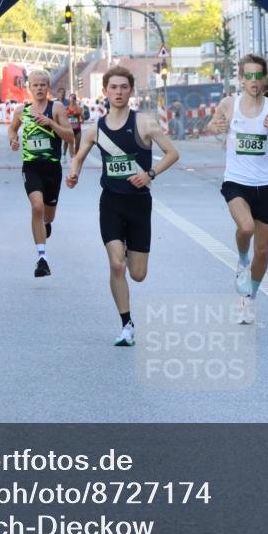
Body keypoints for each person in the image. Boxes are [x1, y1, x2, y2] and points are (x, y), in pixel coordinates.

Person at [65, 66, 179, 345]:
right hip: (111, 203)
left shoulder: (145, 123)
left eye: (123, 87)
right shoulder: (96, 129)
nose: (118, 92)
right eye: (113, 87)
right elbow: (78, 157)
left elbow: (173, 153)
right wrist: (74, 172)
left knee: (137, 274)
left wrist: (149, 174)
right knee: (117, 266)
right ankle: (126, 324)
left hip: (139, 204)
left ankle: (128, 250)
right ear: (105, 91)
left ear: (130, 91)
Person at [206, 54, 268, 325]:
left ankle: (249, 298)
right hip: (236, 181)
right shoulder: (229, 104)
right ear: (241, 79)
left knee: (264, 251)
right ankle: (241, 258)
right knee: (245, 228)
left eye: (259, 76)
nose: (254, 82)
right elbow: (212, 125)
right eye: (249, 76)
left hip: (266, 186)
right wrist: (215, 126)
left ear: (265, 79)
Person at [7, 68, 75, 278]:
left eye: (42, 85)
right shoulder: (21, 111)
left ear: (48, 88)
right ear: (29, 88)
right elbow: (12, 128)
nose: (38, 88)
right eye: (35, 85)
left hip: (52, 168)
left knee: (48, 215)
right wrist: (13, 140)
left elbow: (70, 137)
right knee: (36, 207)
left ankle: (46, 223)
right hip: (32, 166)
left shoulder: (56, 108)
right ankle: (42, 258)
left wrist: (51, 124)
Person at [65, 93, 84, 157]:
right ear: (69, 100)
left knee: (77, 144)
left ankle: (76, 155)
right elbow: (63, 119)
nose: (72, 100)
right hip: (69, 129)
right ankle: (72, 158)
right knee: (71, 143)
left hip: (77, 129)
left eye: (74, 98)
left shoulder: (79, 108)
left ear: (75, 100)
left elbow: (83, 118)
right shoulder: (66, 109)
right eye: (71, 98)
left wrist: (80, 114)